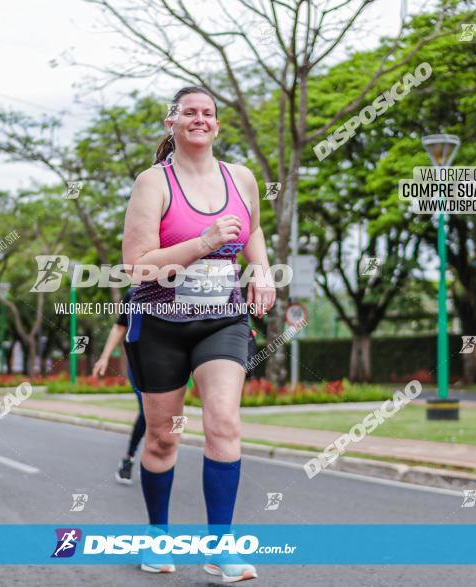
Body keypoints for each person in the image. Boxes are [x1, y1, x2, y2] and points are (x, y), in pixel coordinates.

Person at [121, 87, 275, 581]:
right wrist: (204, 242)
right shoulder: (153, 183)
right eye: (190, 112)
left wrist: (264, 271)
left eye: (208, 113)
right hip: (161, 325)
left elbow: (251, 231)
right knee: (164, 439)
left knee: (224, 423)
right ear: (172, 123)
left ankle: (220, 548)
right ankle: (158, 538)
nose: (200, 119)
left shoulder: (242, 178)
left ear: (217, 125)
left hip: (224, 320)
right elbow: (136, 268)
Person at [91, 288, 145, 485]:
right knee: (147, 411)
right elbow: (120, 327)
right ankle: (129, 458)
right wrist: (104, 357)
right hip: (139, 365)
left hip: (170, 365)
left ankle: (159, 463)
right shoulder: (133, 294)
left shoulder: (181, 289)